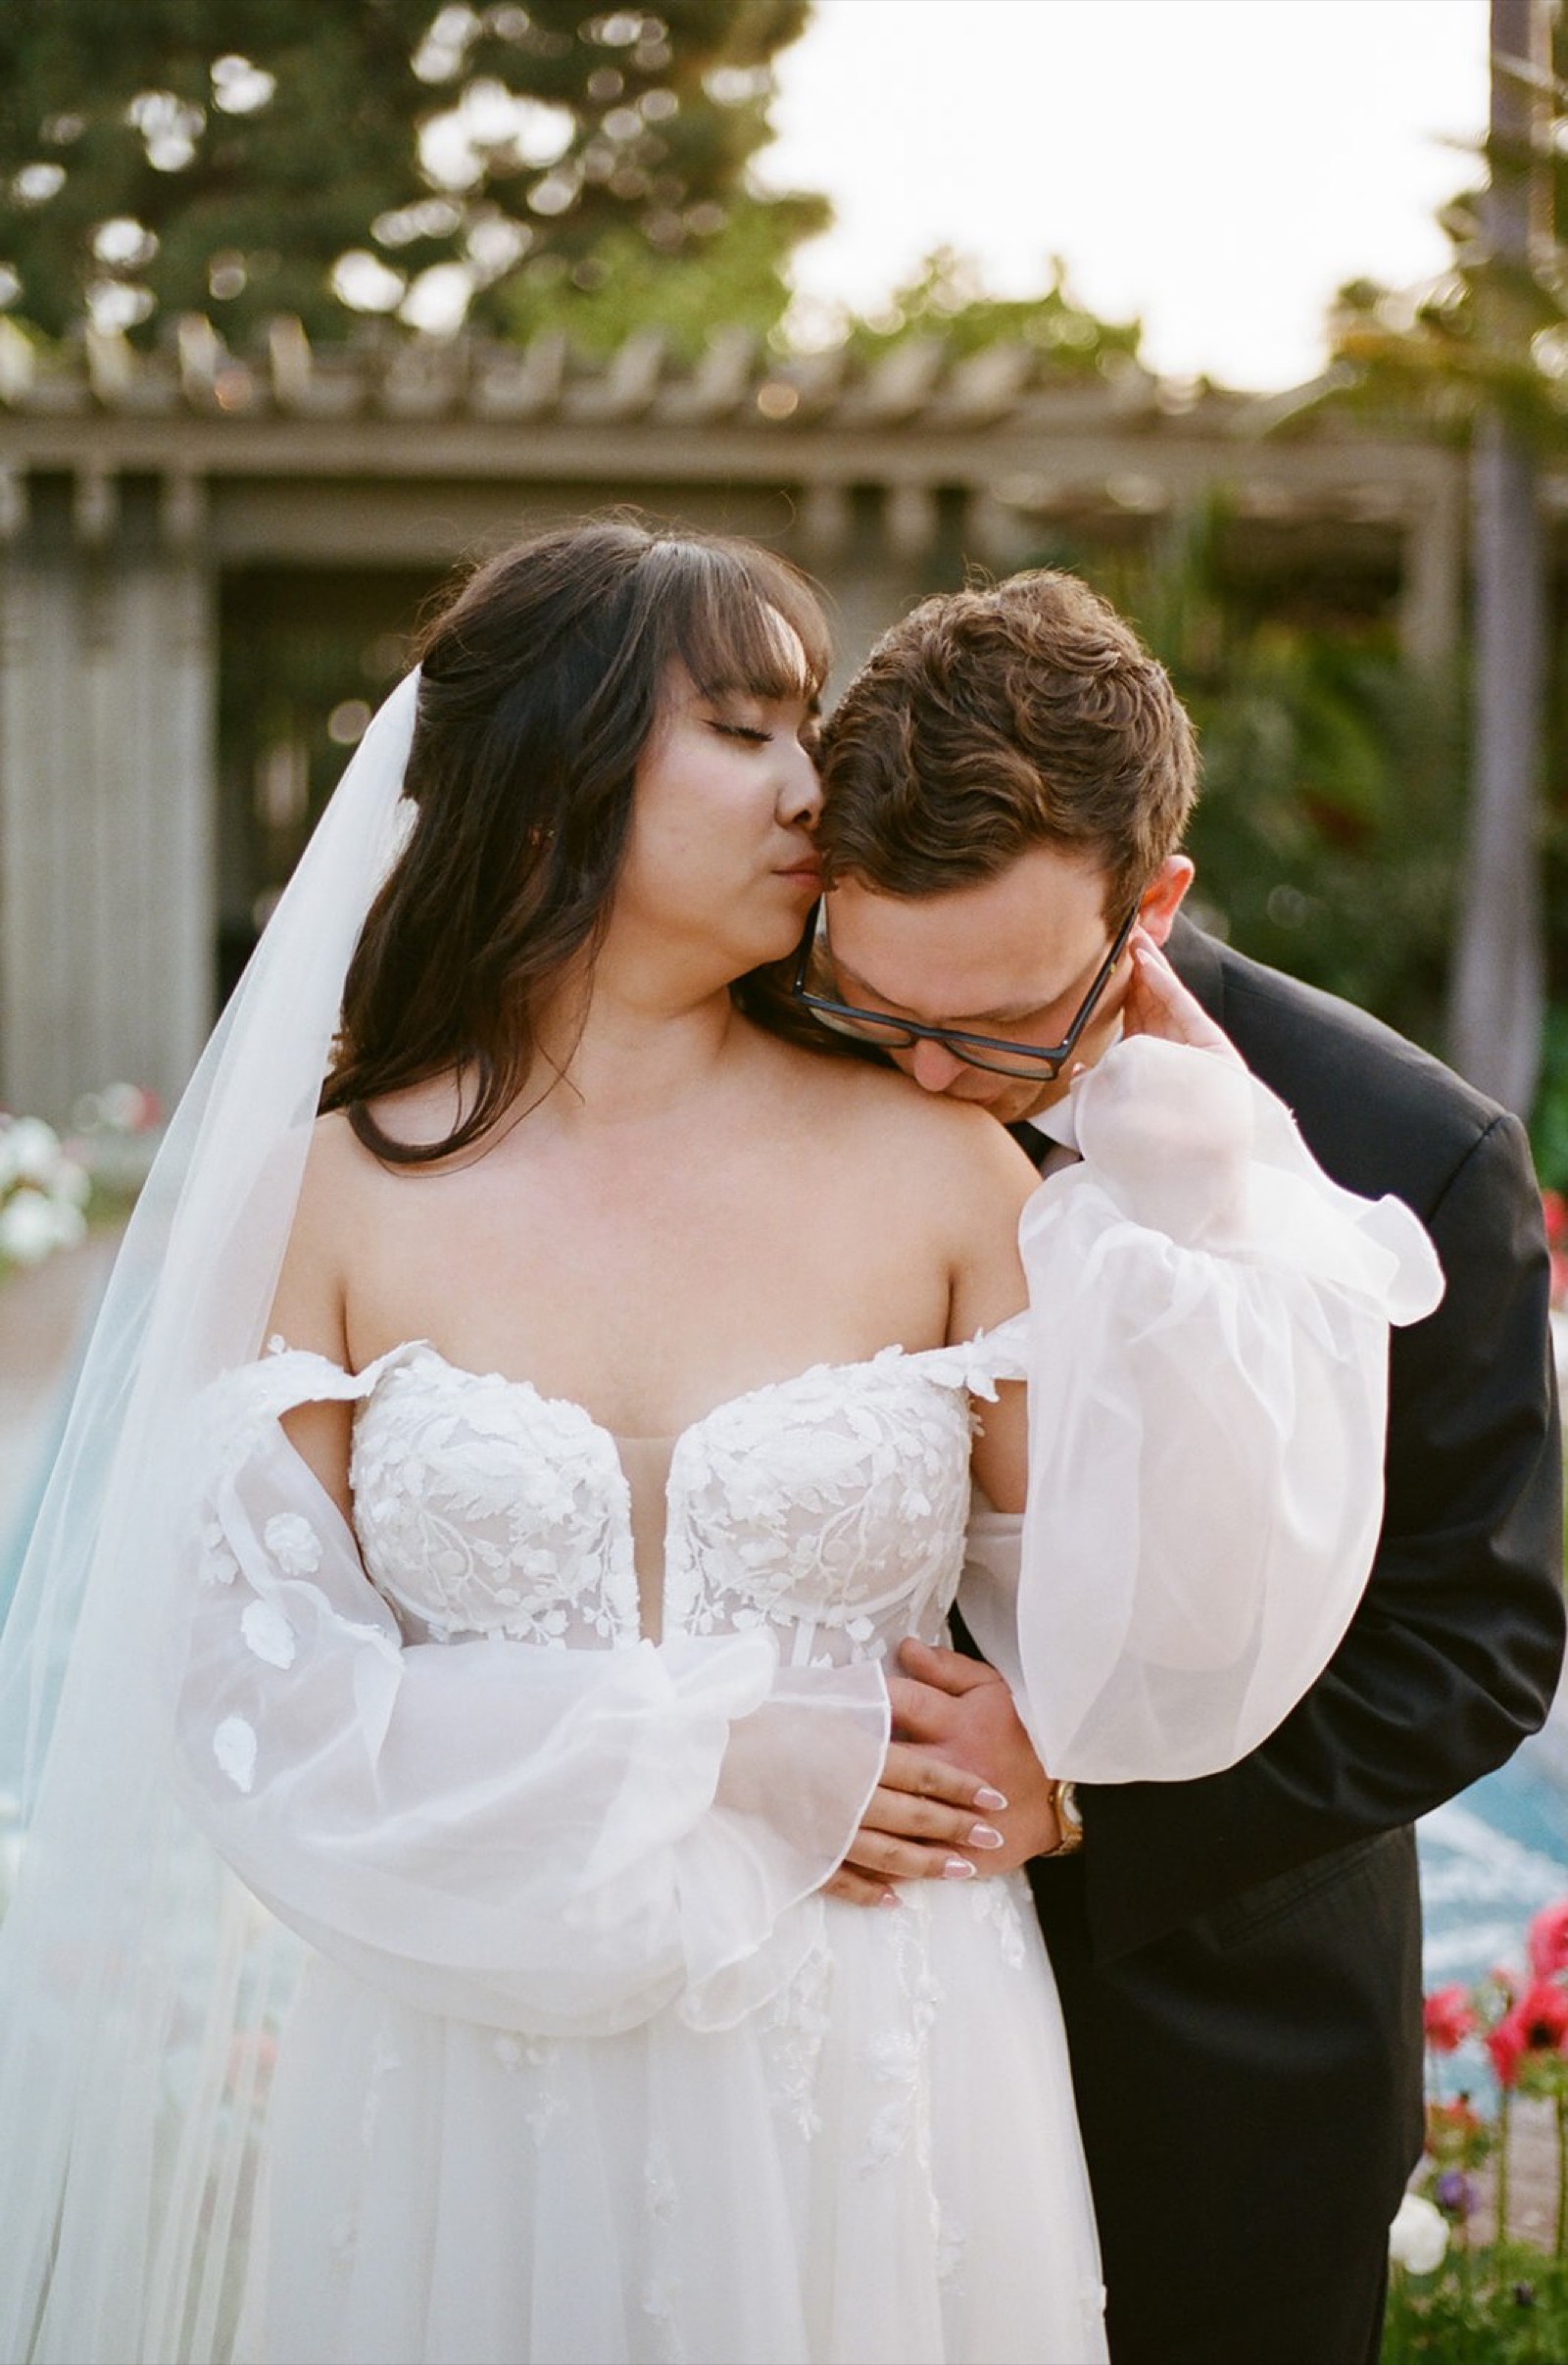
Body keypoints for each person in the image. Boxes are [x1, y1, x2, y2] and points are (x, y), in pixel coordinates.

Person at [0, 522, 1437, 2365]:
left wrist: (1192, 1157)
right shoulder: (333, 1200)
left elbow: (1180, 1617)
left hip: (884, 2062)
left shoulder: (943, 1161)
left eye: (805, 718)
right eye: (746, 726)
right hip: (476, 2067)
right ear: (552, 786)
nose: (808, 777)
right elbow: (253, 1709)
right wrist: (720, 1754)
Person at [805, 566, 1568, 2365]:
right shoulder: (775, 1050)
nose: (924, 1080)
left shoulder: (1415, 1158)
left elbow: (1478, 1641)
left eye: (994, 1029)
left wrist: (1079, 1780)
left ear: (1152, 904)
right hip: (822, 2033)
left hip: (1224, 2044)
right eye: (872, 1001)